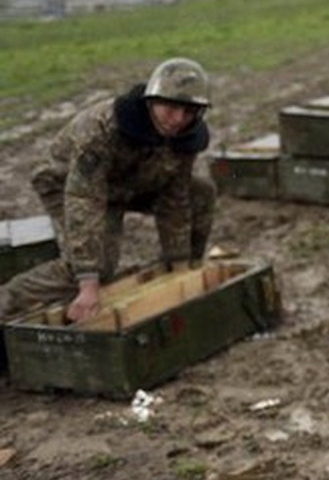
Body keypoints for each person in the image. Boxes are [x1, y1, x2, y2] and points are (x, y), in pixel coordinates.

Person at [0, 57, 216, 323]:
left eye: (189, 112)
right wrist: (88, 282)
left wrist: (181, 265)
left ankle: (187, 265)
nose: (178, 120)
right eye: (170, 108)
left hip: (130, 182)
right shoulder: (101, 129)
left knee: (201, 193)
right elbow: (84, 199)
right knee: (94, 268)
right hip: (69, 184)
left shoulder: (185, 135)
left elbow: (175, 198)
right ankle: (7, 301)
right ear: (151, 101)